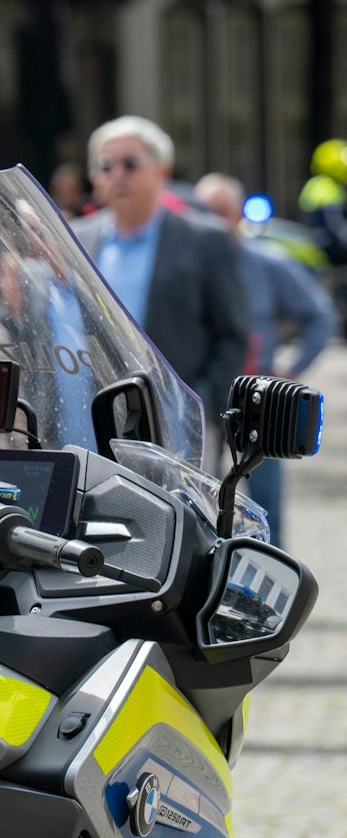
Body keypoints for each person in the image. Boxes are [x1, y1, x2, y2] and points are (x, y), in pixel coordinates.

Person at [71, 117, 249, 409]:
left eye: (129, 164)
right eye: (105, 165)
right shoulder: (76, 237)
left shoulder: (206, 239)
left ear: (162, 171)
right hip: (92, 416)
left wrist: (200, 407)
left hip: (176, 421)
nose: (117, 175)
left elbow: (232, 335)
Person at [196, 173, 337, 537]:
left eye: (221, 211)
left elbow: (320, 316)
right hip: (201, 401)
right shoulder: (185, 267)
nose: (213, 221)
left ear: (238, 215)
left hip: (259, 407)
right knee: (199, 510)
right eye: (204, 211)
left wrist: (291, 367)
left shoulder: (264, 263)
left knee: (265, 514)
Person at [299, 138, 347, 268]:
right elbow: (335, 226)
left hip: (314, 244)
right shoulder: (328, 187)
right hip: (326, 250)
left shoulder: (315, 184)